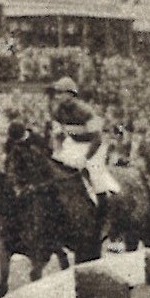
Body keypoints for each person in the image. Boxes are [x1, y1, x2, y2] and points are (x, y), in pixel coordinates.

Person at [47, 76, 119, 212]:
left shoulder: (87, 111)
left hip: (93, 146)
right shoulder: (58, 111)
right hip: (73, 144)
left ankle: (104, 210)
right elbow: (57, 135)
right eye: (57, 93)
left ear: (70, 94)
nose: (57, 96)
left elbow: (98, 138)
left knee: (95, 175)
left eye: (60, 93)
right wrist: (57, 151)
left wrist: (85, 158)